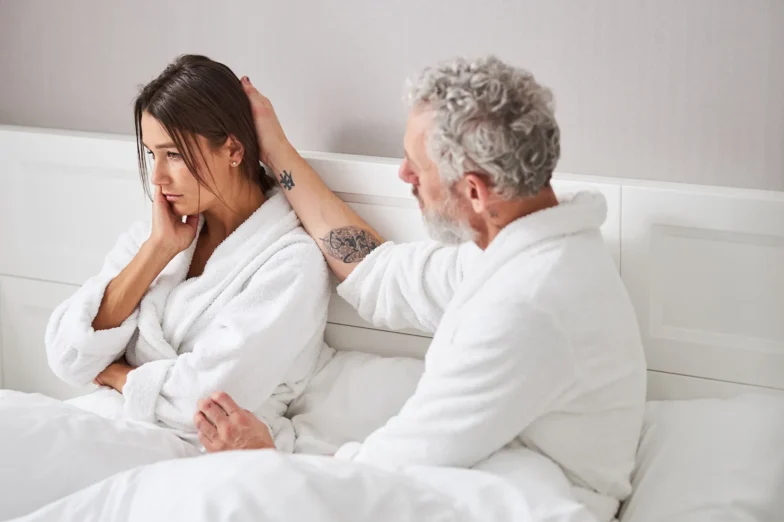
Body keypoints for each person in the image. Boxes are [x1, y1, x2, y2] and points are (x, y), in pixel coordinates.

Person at [196, 56, 647, 521]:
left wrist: (270, 464)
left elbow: (400, 459)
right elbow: (380, 274)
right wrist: (275, 150)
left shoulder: (529, 305)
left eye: (416, 165)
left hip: (534, 496)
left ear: (475, 192)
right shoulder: (521, 240)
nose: (403, 176)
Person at [0, 54, 331, 519]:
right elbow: (67, 355)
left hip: (187, 455)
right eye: (153, 154)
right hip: (105, 421)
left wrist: (115, 374)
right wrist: (157, 249)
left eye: (173, 154)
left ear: (233, 150)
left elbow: (204, 401)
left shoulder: (290, 265)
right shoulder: (159, 233)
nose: (157, 177)